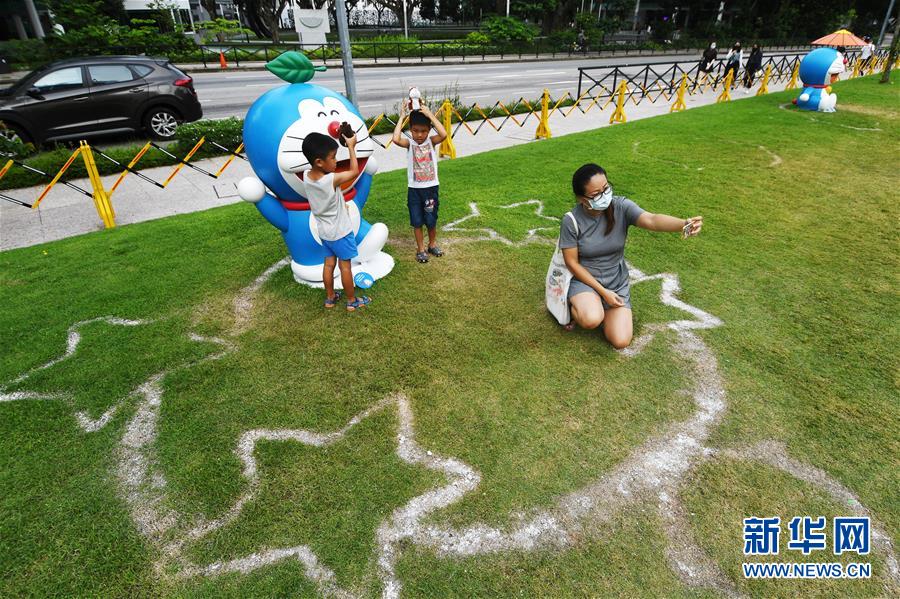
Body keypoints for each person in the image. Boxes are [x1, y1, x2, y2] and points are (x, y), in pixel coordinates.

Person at [559, 164, 703, 349]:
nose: (604, 196)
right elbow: (571, 263)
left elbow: (652, 220)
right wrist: (603, 293)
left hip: (615, 281)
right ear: (582, 199)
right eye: (596, 194)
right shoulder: (571, 220)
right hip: (585, 281)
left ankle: (599, 306)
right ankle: (577, 308)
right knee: (591, 319)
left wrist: (684, 224)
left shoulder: (620, 206)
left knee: (620, 341)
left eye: (606, 188)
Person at [301, 131, 372, 311]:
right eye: (333, 158)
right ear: (319, 161)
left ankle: (330, 298)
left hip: (325, 232)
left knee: (329, 264)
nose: (336, 161)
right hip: (341, 232)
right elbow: (355, 171)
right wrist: (351, 146)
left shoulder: (306, 177)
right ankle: (351, 301)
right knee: (345, 267)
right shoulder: (331, 180)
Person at [392, 101, 448, 263]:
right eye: (415, 131)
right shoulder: (409, 144)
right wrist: (402, 117)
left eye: (423, 131)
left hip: (431, 189)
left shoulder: (432, 142)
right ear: (410, 130)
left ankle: (432, 244)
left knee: (431, 220)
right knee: (417, 221)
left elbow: (443, 134)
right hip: (414, 190)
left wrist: (430, 114)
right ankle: (421, 249)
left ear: (429, 130)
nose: (419, 135)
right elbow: (396, 139)